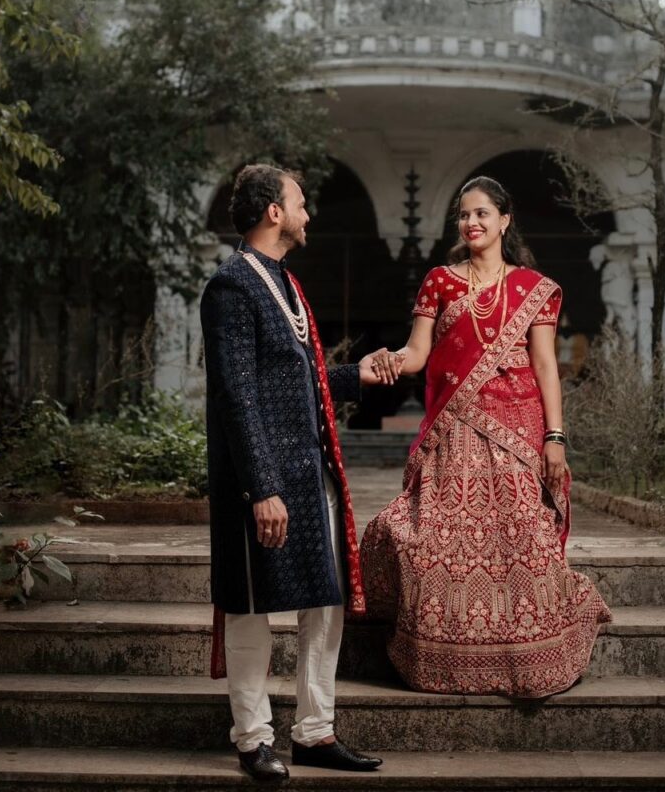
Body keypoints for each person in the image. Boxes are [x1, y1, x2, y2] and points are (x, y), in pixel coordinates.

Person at [361, 176, 612, 697]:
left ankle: (532, 657)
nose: (471, 222)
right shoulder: (439, 282)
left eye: (481, 213)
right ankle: (445, 659)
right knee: (436, 543)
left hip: (519, 431)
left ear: (504, 220)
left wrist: (555, 438)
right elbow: (418, 355)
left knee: (525, 541)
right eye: (464, 214)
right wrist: (384, 361)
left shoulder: (533, 288)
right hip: (454, 434)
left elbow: (546, 367)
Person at [200, 163, 385, 783]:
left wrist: (357, 371)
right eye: (300, 203)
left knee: (325, 602)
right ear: (273, 212)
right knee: (251, 607)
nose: (308, 214)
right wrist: (263, 488)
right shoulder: (231, 286)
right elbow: (237, 396)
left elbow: (298, 384)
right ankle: (253, 739)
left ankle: (314, 731)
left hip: (311, 476)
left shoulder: (283, 283)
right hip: (263, 483)